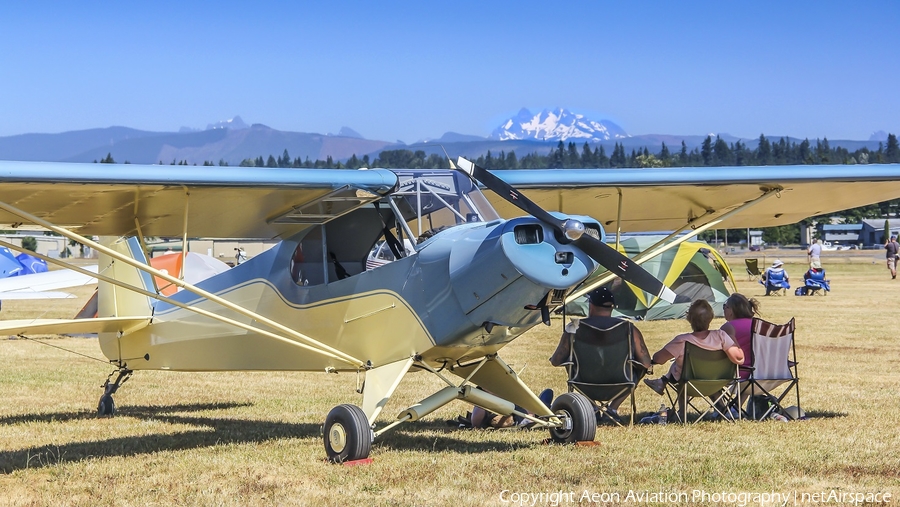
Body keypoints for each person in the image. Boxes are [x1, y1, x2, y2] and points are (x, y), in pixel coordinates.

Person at [549, 287, 651, 422]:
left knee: (571, 362)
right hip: (622, 383)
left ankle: (593, 407)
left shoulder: (574, 327)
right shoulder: (628, 328)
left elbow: (556, 361)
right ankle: (613, 409)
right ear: (612, 308)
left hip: (583, 383)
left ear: (591, 306)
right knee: (640, 369)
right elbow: (646, 363)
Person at [643, 299, 744, 398]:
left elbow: (658, 359)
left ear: (689, 319)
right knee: (684, 365)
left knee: (680, 366)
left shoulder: (682, 341)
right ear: (711, 318)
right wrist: (732, 337)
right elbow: (739, 359)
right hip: (718, 382)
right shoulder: (721, 336)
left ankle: (681, 412)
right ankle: (722, 409)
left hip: (689, 385)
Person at [720, 293, 760, 380]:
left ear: (731, 310)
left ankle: (717, 394)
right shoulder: (759, 325)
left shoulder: (728, 327)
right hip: (762, 373)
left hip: (738, 373)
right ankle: (743, 394)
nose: (723, 310)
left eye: (725, 307)